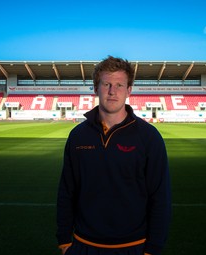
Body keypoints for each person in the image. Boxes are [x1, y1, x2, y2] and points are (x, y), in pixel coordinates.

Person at [56, 56, 171, 255]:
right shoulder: (78, 135)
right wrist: (65, 241)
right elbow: (67, 191)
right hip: (83, 245)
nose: (112, 91)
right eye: (106, 84)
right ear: (96, 88)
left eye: (119, 85)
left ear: (129, 90)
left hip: (133, 246)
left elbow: (160, 197)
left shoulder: (149, 137)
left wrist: (153, 248)